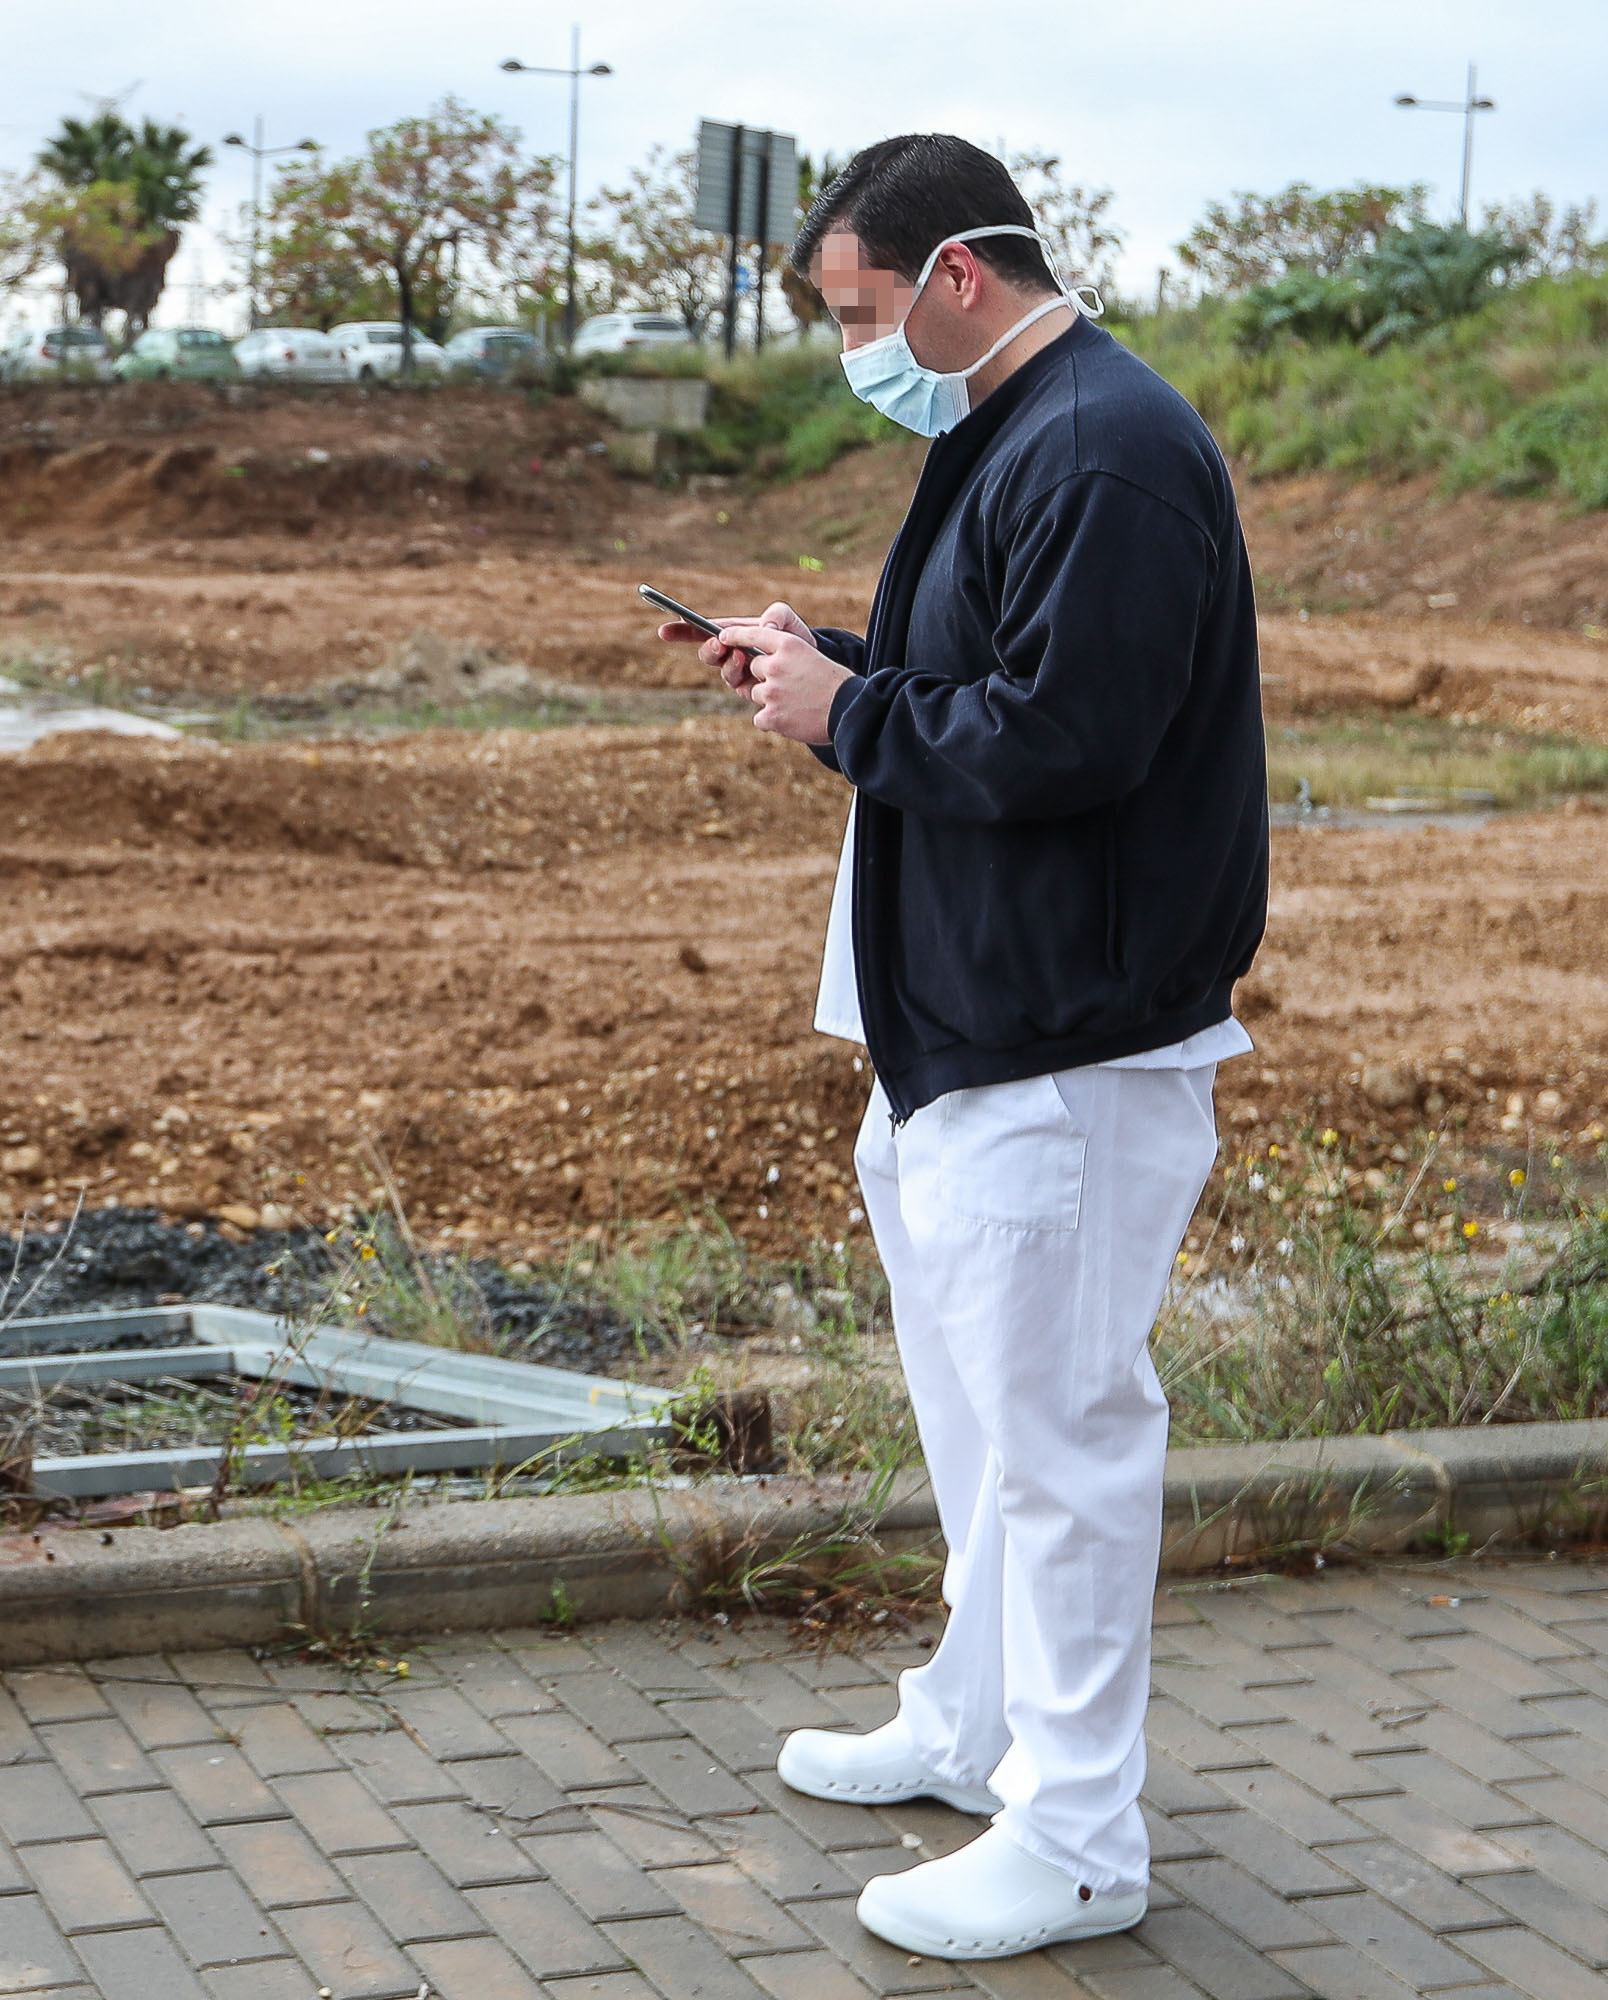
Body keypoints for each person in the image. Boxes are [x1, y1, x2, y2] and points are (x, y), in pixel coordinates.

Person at [658, 134, 1267, 1960]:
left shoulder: (1104, 448)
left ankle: (1080, 1834)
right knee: (990, 1426)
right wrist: (822, 658)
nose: (858, 350)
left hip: (1058, 1046)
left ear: (957, 277)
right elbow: (984, 673)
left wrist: (849, 711)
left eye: (861, 312)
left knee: (1065, 1436)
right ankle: (979, 1721)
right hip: (958, 1035)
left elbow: (1071, 738)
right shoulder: (1006, 428)